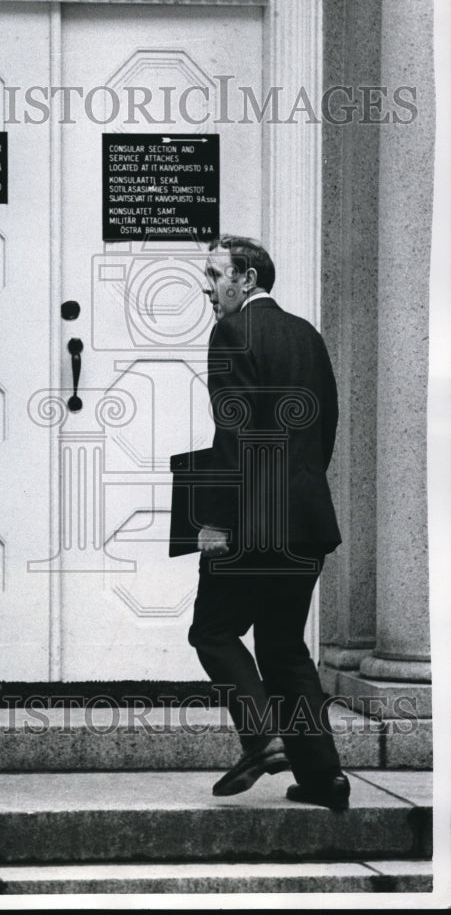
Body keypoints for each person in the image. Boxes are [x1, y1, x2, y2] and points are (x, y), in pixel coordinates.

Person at [187, 235, 349, 810]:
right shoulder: (307, 334)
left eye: (215, 274)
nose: (207, 287)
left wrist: (214, 520)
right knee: (284, 647)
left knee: (211, 631)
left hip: (252, 521)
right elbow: (324, 427)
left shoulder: (231, 332)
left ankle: (261, 738)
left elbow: (234, 433)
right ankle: (323, 776)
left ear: (247, 280)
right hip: (306, 520)